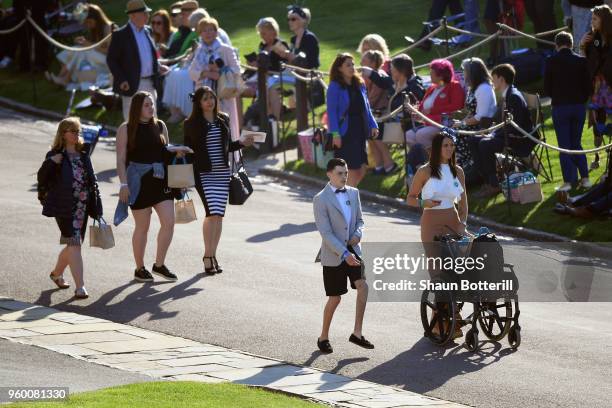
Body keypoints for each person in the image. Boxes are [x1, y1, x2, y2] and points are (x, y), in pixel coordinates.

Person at [114, 91, 191, 282]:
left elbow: (165, 152)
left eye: (152, 104)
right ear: (137, 108)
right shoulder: (126, 128)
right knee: (143, 227)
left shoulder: (160, 125)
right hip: (138, 181)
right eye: (147, 105)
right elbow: (121, 159)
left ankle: (159, 264)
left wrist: (177, 155)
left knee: (169, 222)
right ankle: (139, 268)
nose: (151, 108)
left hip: (160, 179)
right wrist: (123, 184)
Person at [183, 87, 254, 274]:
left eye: (212, 98)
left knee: (218, 215)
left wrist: (242, 143)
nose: (209, 101)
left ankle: (212, 255)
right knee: (211, 212)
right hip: (204, 174)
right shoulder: (191, 123)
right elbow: (188, 150)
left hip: (222, 174)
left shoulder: (223, 119)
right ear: (198, 103)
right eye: (205, 99)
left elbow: (227, 146)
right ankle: (207, 255)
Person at [406, 131, 468, 338]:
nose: (449, 149)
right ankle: (440, 321)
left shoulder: (457, 171)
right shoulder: (425, 171)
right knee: (438, 271)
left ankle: (449, 316)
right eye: (445, 146)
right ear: (436, 149)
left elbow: (464, 202)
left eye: (452, 145)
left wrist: (463, 223)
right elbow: (410, 198)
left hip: (452, 219)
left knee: (457, 268)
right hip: (431, 222)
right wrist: (424, 202)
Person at [313, 158, 374, 354]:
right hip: (334, 254)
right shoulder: (320, 199)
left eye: (346, 173)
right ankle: (323, 336)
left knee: (363, 286)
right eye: (340, 173)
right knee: (335, 298)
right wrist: (344, 253)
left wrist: (358, 234)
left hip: (354, 250)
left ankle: (357, 333)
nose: (344, 176)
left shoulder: (354, 193)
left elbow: (360, 220)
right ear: (329, 174)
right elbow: (326, 233)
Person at [37, 117, 103, 300]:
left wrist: (97, 204)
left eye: (78, 131)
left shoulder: (83, 154)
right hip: (63, 207)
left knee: (73, 245)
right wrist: (52, 162)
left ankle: (56, 274)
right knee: (75, 244)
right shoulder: (55, 154)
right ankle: (80, 287)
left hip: (82, 206)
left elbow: (93, 181)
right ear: (63, 134)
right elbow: (41, 178)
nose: (76, 134)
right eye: (72, 131)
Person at [468, 64, 534, 198]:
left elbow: (516, 125)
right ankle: (485, 179)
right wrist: (492, 133)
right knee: (473, 139)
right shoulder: (508, 94)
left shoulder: (513, 96)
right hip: (507, 134)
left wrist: (493, 134)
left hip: (518, 138)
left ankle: (494, 184)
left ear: (502, 79)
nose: (492, 81)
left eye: (494, 78)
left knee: (484, 143)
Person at [544, 31, 592, 191]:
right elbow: (588, 87)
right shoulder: (581, 61)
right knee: (576, 143)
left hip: (560, 107)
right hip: (578, 107)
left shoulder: (551, 61)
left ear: (557, 45)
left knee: (564, 145)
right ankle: (585, 177)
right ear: (571, 44)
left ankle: (569, 181)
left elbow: (547, 88)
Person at [107, 0, 169, 121]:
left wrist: (157, 66)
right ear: (132, 15)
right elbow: (111, 60)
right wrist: (121, 79)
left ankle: (152, 140)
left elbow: (148, 55)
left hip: (150, 83)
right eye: (144, 13)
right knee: (132, 120)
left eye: (147, 13)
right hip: (132, 84)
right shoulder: (120, 35)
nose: (147, 16)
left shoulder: (148, 31)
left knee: (152, 120)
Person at [327, 53, 379, 187]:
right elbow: (331, 113)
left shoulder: (359, 83)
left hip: (359, 129)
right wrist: (335, 135)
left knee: (362, 169)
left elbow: (367, 107)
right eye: (347, 65)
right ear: (339, 68)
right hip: (345, 132)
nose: (352, 67)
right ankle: (348, 199)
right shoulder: (334, 86)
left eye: (353, 64)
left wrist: (373, 124)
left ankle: (345, 193)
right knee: (350, 169)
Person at [189, 17, 241, 141]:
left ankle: (229, 157)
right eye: (204, 30)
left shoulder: (226, 49)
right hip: (205, 97)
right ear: (200, 33)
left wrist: (220, 71)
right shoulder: (199, 52)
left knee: (226, 127)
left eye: (211, 30)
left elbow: (237, 70)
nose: (208, 33)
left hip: (224, 94)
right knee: (208, 129)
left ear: (216, 32)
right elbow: (192, 72)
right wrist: (206, 73)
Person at [45, 4, 115, 87]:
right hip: (100, 58)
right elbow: (96, 46)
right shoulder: (96, 29)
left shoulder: (108, 28)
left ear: (96, 18)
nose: (88, 25)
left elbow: (110, 52)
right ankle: (61, 77)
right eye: (86, 23)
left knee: (81, 52)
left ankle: (63, 79)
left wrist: (88, 44)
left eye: (89, 22)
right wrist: (85, 43)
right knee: (76, 49)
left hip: (109, 62)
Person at [452, 57, 497, 181]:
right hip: (475, 123)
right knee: (448, 132)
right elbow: (472, 112)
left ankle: (471, 169)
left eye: (465, 71)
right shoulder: (474, 87)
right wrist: (460, 123)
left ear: (472, 73)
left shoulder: (483, 89)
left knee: (453, 136)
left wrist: (462, 123)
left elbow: (479, 116)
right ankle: (457, 169)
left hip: (484, 126)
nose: (463, 74)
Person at [406, 59, 465, 151]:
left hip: (443, 123)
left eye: (432, 72)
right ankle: (421, 160)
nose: (430, 74)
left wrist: (433, 110)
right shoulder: (431, 88)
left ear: (441, 75)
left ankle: (436, 160)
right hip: (429, 124)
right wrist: (417, 113)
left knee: (422, 134)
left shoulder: (454, 86)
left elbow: (457, 106)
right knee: (408, 135)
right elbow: (423, 107)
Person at [580, 4, 612, 170]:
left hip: (609, 87)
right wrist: (583, 46)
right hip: (598, 89)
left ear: (604, 20)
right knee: (597, 121)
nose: (591, 22)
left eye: (594, 19)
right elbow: (589, 64)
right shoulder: (592, 38)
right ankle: (598, 155)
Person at [360, 50, 395, 175]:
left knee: (377, 139)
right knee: (370, 138)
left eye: (364, 61)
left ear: (373, 63)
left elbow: (373, 98)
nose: (361, 63)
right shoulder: (366, 76)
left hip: (381, 113)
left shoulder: (379, 75)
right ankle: (379, 164)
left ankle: (389, 163)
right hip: (372, 112)